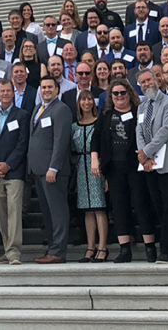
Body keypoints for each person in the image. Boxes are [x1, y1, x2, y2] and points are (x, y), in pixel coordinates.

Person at [91, 80, 154, 263]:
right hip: (114, 167)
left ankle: (150, 247)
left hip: (136, 165)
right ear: (111, 96)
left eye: (123, 93)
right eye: (116, 93)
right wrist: (95, 159)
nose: (120, 96)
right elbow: (96, 139)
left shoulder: (138, 112)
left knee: (142, 205)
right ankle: (124, 249)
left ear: (129, 94)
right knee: (119, 207)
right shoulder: (106, 115)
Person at [136, 69, 168, 263]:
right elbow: (138, 131)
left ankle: (167, 250)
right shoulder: (142, 107)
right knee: (158, 207)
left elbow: (166, 130)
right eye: (142, 82)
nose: (147, 84)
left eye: (149, 80)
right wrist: (143, 156)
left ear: (156, 80)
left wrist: (146, 151)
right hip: (148, 165)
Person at [0, 80, 30, 265]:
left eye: (8, 91)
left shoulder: (22, 115)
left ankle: (14, 252)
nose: (5, 94)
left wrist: (8, 165)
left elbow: (22, 144)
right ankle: (7, 249)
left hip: (14, 173)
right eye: (2, 91)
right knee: (1, 214)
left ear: (13, 93)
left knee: (13, 212)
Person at [30, 76, 73, 264]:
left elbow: (60, 141)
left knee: (58, 211)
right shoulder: (38, 109)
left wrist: (53, 167)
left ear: (57, 90)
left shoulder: (61, 109)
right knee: (47, 212)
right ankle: (51, 248)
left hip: (52, 170)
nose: (46, 90)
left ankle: (58, 250)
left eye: (50, 87)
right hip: (38, 169)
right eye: (43, 87)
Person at [70, 89, 107, 263]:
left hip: (96, 166)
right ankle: (90, 246)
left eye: (89, 100)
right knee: (87, 210)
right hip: (81, 168)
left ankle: (102, 247)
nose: (86, 103)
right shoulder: (74, 126)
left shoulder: (99, 123)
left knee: (99, 207)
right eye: (83, 100)